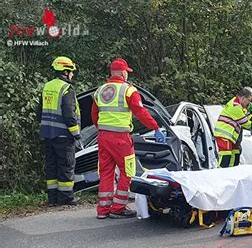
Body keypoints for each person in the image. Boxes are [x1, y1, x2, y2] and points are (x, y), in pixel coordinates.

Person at [91, 58, 164, 219]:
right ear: (123, 73)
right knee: (127, 171)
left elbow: (94, 115)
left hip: (103, 137)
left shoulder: (100, 91)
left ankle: (103, 210)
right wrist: (155, 128)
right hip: (121, 138)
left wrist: (103, 130)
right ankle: (118, 208)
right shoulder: (128, 90)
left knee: (106, 172)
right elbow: (141, 112)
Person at [38, 56, 81, 206]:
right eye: (71, 71)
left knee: (52, 166)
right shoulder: (66, 89)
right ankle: (65, 198)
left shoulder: (47, 86)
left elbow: (39, 112)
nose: (72, 75)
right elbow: (69, 114)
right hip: (64, 135)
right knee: (66, 165)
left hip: (48, 134)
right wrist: (76, 134)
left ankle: (53, 198)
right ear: (65, 71)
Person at [214, 87, 252, 168]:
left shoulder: (239, 105)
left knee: (235, 154)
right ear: (243, 98)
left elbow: (247, 117)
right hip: (224, 135)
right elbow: (245, 123)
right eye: (249, 100)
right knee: (226, 156)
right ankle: (220, 176)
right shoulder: (235, 106)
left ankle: (231, 174)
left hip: (231, 137)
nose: (249, 103)